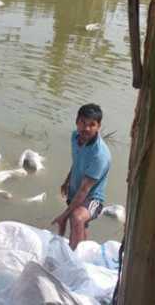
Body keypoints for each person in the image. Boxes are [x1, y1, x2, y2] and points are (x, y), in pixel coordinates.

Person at [52, 103, 111, 250]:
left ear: (99, 126)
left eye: (92, 125)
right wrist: (67, 181)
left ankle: (75, 258)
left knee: (76, 217)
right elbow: (77, 161)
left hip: (92, 198)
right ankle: (82, 253)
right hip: (75, 190)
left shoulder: (100, 155)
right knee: (79, 226)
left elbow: (85, 189)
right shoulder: (75, 137)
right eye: (83, 123)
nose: (86, 129)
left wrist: (64, 215)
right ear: (76, 121)